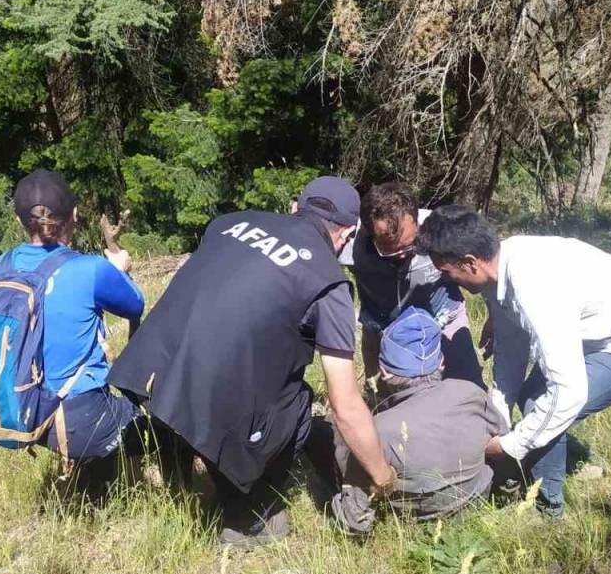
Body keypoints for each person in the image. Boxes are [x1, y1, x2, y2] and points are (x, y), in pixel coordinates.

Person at [108, 176, 397, 548]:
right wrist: (381, 475)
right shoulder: (329, 283)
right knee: (298, 403)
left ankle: (171, 442)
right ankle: (248, 515)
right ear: (347, 233)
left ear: (296, 207)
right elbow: (345, 405)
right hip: (211, 393)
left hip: (151, 371)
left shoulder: (231, 222)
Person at [416, 205, 611, 517]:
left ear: (470, 263)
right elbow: (512, 350)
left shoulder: (535, 288)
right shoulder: (499, 270)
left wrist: (508, 446)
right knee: (532, 405)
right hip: (590, 333)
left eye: (447, 272)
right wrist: (497, 415)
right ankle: (520, 475)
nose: (449, 282)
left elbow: (568, 393)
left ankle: (547, 510)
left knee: (540, 403)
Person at [306, 307, 508, 534]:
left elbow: (354, 521)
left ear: (385, 371)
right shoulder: (472, 394)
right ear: (441, 362)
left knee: (321, 433)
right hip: (476, 506)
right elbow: (507, 452)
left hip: (417, 527)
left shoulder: (380, 431)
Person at [0, 170, 145, 475]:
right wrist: (119, 270)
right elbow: (135, 305)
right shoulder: (91, 269)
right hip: (79, 418)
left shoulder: (6, 264)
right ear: (74, 216)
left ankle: (88, 472)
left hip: (27, 411)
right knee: (161, 427)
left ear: (20, 222)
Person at [339, 183, 482, 386]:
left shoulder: (441, 228)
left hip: (442, 315)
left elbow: (483, 262)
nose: (404, 255)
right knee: (384, 399)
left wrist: (494, 316)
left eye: (411, 245)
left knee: (467, 386)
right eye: (392, 252)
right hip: (382, 324)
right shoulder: (350, 245)